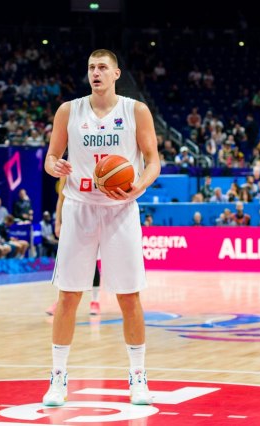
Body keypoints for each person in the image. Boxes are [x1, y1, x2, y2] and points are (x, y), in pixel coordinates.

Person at [42, 49, 160, 407]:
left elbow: (153, 161)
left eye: (103, 67)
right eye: (91, 67)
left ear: (116, 73)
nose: (96, 72)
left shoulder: (136, 110)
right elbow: (51, 157)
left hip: (120, 209)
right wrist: (54, 166)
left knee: (129, 296)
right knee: (68, 296)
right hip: (79, 207)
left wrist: (139, 186)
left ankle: (138, 377)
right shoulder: (69, 110)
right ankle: (58, 377)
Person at [45, 176, 102, 316]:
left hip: (97, 220)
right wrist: (58, 222)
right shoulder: (68, 171)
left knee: (93, 263)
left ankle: (95, 301)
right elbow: (61, 199)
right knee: (65, 264)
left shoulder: (99, 169)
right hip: (74, 221)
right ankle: (60, 301)